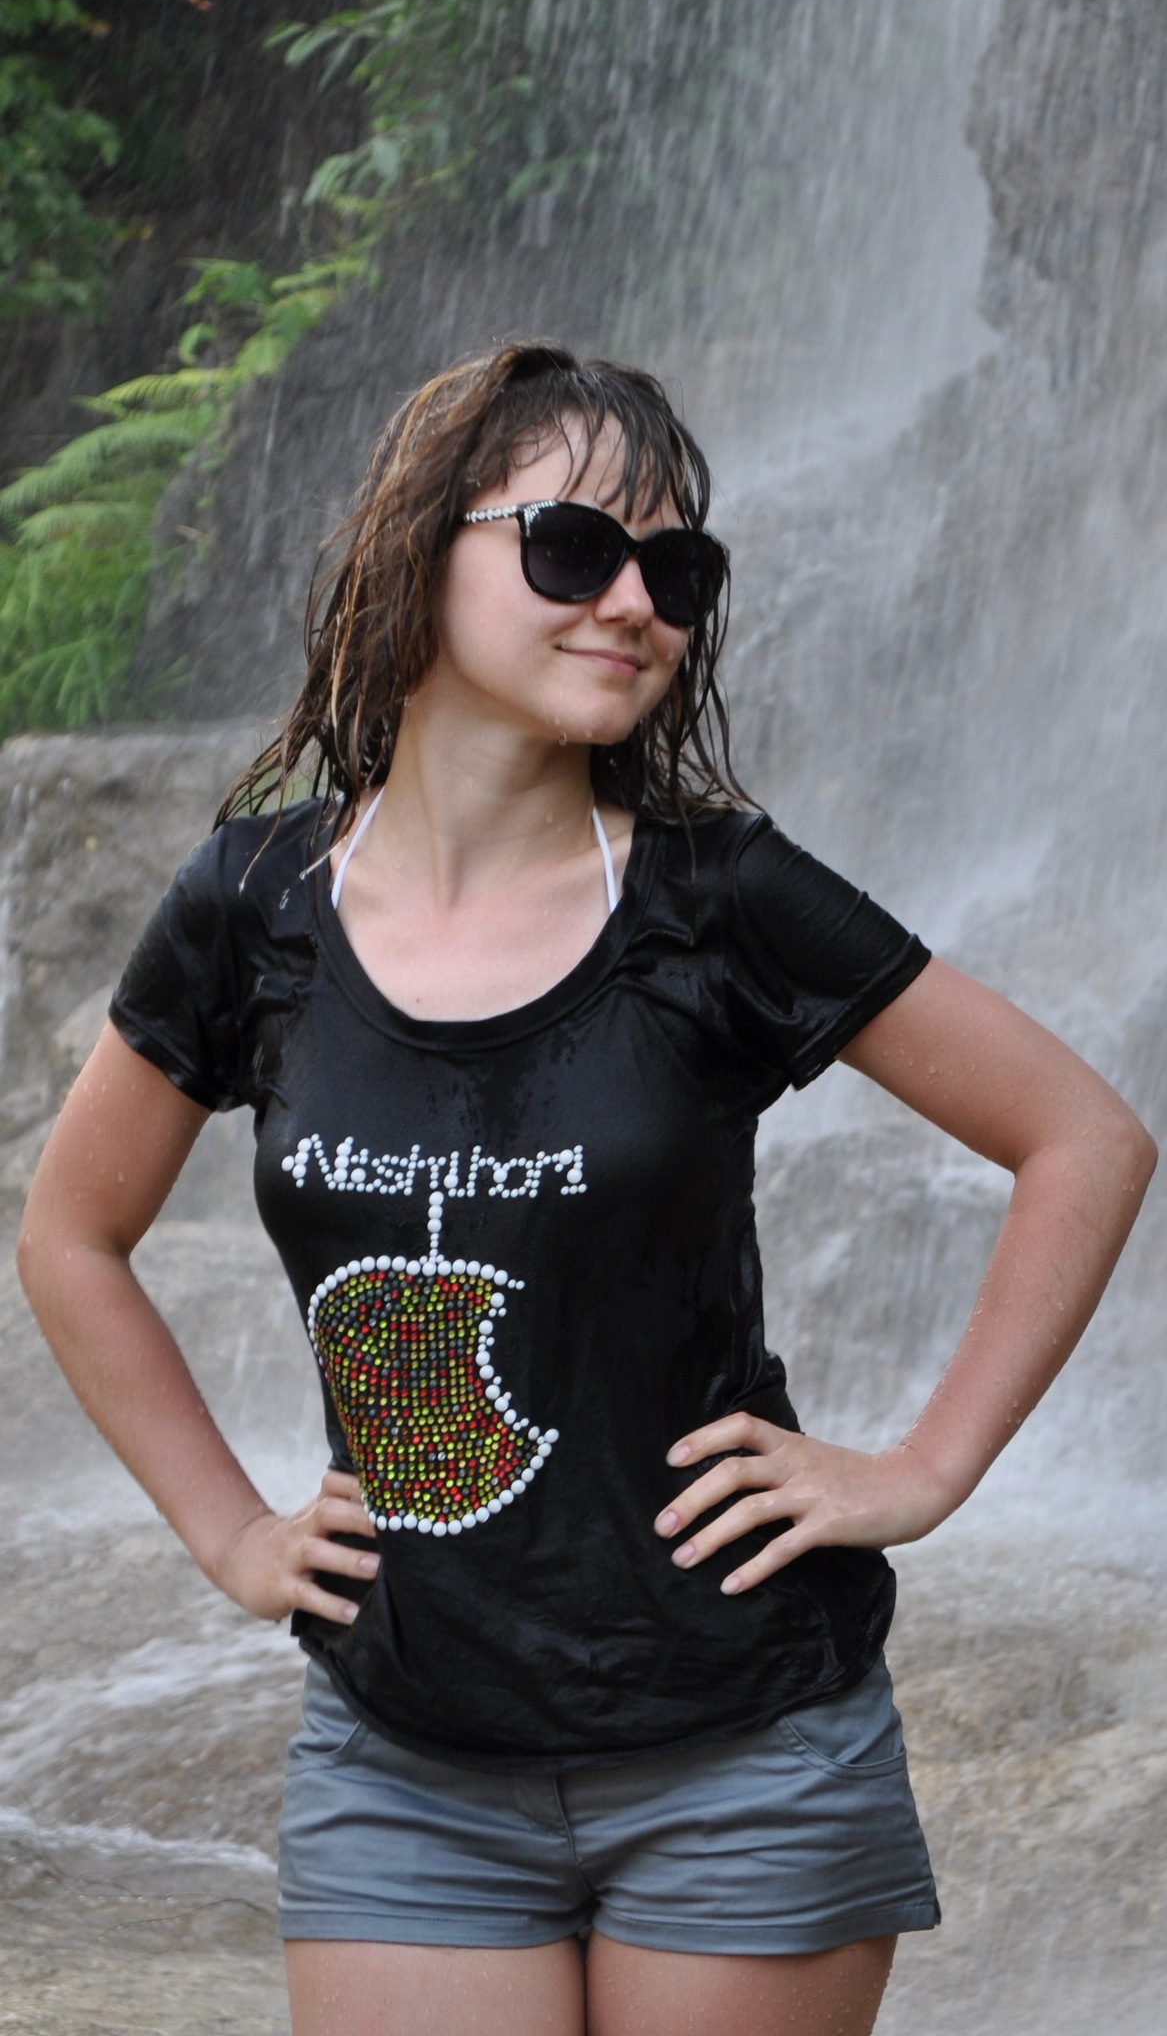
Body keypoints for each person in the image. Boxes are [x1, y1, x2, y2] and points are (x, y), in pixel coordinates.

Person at [17, 341, 1155, 2036]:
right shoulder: (256, 905)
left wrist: (925, 1469)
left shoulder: (718, 896)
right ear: (423, 553)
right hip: (405, 1758)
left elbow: (1084, 1136)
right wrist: (233, 1534)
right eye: (573, 549)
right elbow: (72, 1235)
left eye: (676, 570)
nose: (634, 601)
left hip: (743, 1752)